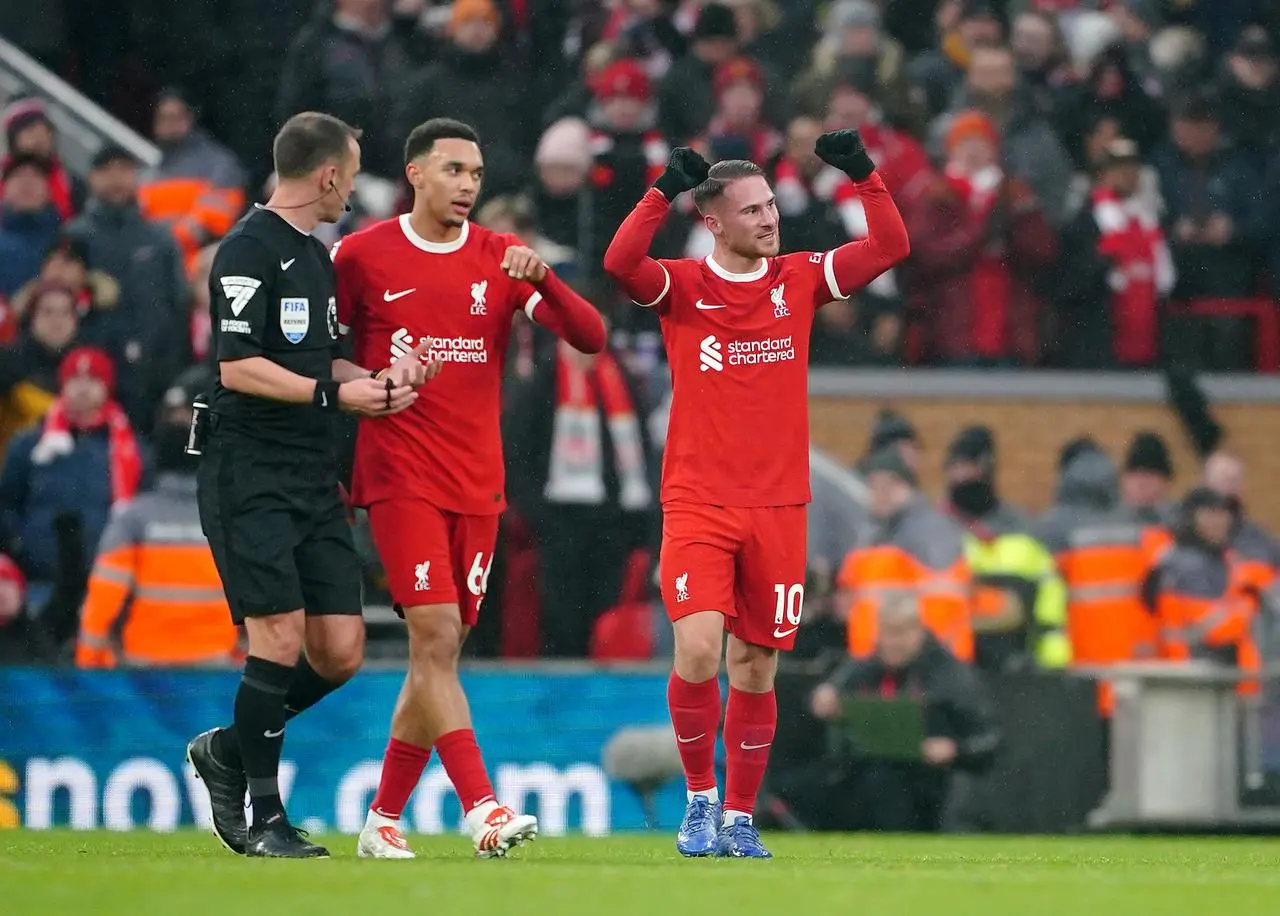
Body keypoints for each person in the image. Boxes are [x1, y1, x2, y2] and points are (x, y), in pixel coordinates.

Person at [602, 131, 910, 857]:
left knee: (757, 665)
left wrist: (863, 172)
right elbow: (620, 264)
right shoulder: (682, 287)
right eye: (752, 210)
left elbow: (890, 247)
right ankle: (699, 803)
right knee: (701, 650)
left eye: (772, 206)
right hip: (699, 500)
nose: (770, 219)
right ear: (714, 221)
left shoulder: (798, 278)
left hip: (779, 506)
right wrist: (660, 190)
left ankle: (740, 817)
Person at [332, 118, 606, 859]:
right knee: (436, 636)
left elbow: (591, 336)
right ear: (414, 173)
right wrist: (368, 384)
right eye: (453, 170)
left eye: (476, 175)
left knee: (437, 657)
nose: (467, 186)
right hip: (398, 476)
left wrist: (544, 277)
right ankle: (481, 807)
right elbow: (318, 356)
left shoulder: (499, 260)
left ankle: (383, 818)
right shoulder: (360, 256)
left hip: (479, 485)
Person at [184, 112, 434, 860]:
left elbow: (319, 362)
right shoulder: (246, 251)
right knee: (279, 638)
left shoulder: (313, 256)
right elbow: (238, 368)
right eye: (350, 177)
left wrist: (380, 377)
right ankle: (265, 818)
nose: (350, 193)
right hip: (248, 472)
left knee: (340, 651)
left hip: (309, 473)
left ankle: (228, 748)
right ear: (328, 175)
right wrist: (336, 398)